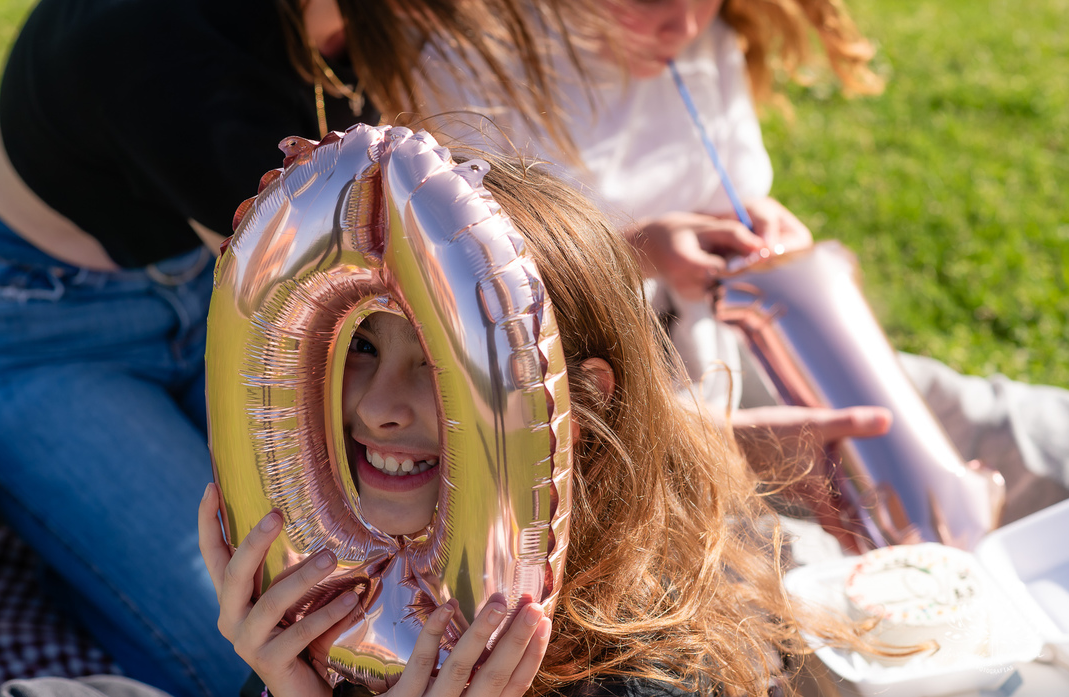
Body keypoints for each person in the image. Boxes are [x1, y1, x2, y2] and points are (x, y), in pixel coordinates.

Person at [0, 0, 595, 695]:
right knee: (279, 642)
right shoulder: (188, 56)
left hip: (206, 291)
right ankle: (64, 555)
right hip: (42, 336)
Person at [417, 0, 1069, 527]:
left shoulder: (700, 42)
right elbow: (466, 282)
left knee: (980, 426)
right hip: (607, 408)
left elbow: (723, 186)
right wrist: (640, 249)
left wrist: (766, 232)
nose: (683, 23)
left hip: (736, 343)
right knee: (808, 548)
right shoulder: (477, 69)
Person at [198, 156, 870, 697]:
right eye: (362, 349)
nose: (379, 407)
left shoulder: (643, 667)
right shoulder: (328, 617)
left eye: (438, 366)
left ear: (576, 403)